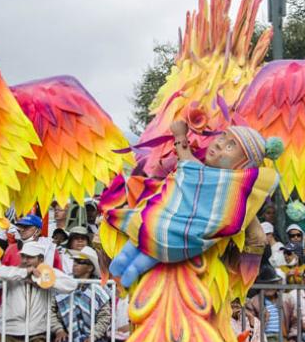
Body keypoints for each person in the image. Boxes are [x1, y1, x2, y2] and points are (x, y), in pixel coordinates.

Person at [106, 121, 277, 287]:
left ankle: (127, 269)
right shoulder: (199, 172)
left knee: (134, 257)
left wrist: (180, 134)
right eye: (222, 137)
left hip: (170, 237)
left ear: (242, 166)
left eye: (230, 147)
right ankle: (128, 270)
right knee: (136, 257)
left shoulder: (235, 192)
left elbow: (240, 228)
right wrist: (180, 135)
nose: (219, 145)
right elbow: (186, 160)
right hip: (162, 229)